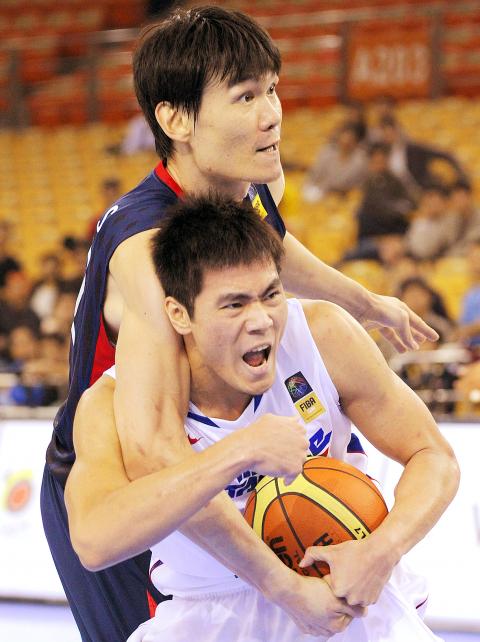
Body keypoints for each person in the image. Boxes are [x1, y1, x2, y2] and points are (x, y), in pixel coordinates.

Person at [40, 6, 439, 641]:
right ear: (176, 120)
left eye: (272, 89)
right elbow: (154, 452)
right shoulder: (147, 253)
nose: (272, 113)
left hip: (215, 455)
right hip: (125, 475)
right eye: (246, 96)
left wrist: (365, 302)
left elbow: (272, 247)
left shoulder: (242, 186)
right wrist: (286, 589)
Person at [65, 195, 459, 642]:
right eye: (234, 305)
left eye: (271, 295)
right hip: (211, 610)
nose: (261, 321)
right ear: (179, 314)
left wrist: (382, 551)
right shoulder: (114, 401)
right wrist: (240, 452)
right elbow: (94, 541)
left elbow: (434, 456)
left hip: (339, 590)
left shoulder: (322, 335)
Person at [302, 122, 368, 203]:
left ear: (356, 142)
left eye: (350, 140)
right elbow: (314, 174)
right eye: (343, 138)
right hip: (319, 192)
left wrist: (335, 192)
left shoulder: (360, 161)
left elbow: (355, 188)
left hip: (342, 199)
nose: (345, 142)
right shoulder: (327, 152)